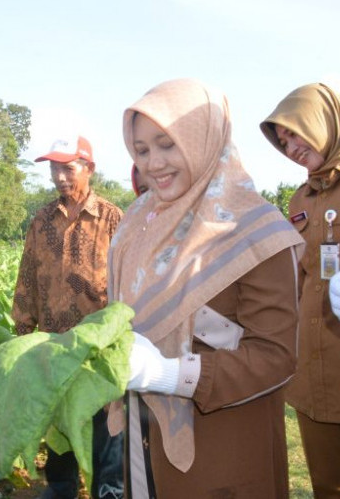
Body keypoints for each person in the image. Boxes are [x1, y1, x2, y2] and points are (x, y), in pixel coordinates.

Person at [110, 78, 305, 498]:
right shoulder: (136, 223)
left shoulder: (255, 230)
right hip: (146, 443)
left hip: (222, 452)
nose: (153, 163)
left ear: (203, 138)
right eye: (141, 150)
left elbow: (276, 357)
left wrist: (168, 374)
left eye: (167, 144)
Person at [261, 82, 340, 498]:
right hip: (312, 379)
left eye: (294, 131)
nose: (289, 146)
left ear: (322, 119)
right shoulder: (300, 199)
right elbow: (301, 280)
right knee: (330, 490)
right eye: (282, 139)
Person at [12, 135, 124, 499]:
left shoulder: (112, 219)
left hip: (99, 352)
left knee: (107, 435)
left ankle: (109, 491)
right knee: (60, 434)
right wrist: (23, 333)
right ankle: (60, 489)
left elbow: (127, 283)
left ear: (88, 168)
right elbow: (27, 277)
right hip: (54, 348)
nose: (60, 176)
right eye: (54, 168)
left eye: (68, 168)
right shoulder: (42, 220)